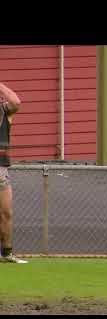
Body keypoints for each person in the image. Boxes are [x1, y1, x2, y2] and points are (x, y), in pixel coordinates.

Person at [0, 82, 27, 264]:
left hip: (1, 168)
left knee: (6, 212)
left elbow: (16, 101)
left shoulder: (5, 112)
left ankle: (7, 253)